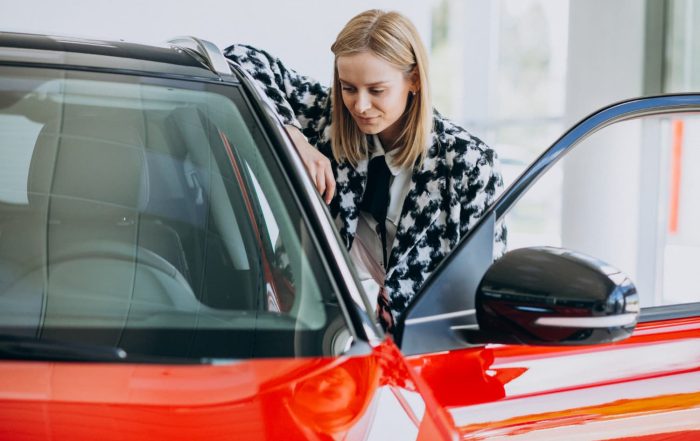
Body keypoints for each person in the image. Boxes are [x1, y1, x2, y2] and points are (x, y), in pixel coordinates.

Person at [224, 9, 506, 333]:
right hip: (321, 334)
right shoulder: (324, 120)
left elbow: (487, 291)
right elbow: (238, 59)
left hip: (429, 351)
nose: (359, 106)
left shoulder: (469, 166)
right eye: (348, 88)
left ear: (413, 79)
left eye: (376, 90)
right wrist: (295, 138)